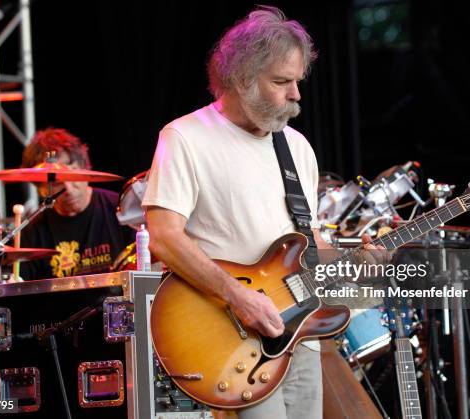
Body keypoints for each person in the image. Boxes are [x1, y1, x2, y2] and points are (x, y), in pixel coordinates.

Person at [143, 7, 388, 418]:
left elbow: (307, 244)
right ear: (241, 79)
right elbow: (164, 235)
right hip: (231, 337)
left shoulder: (297, 147)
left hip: (300, 336)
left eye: (297, 81)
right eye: (282, 81)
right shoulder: (185, 137)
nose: (296, 94)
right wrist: (239, 296)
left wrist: (357, 262)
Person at [20, 128, 133, 280]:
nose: (67, 187)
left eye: (72, 173)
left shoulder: (120, 208)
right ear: (41, 188)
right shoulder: (32, 231)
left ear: (86, 169)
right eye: (57, 181)